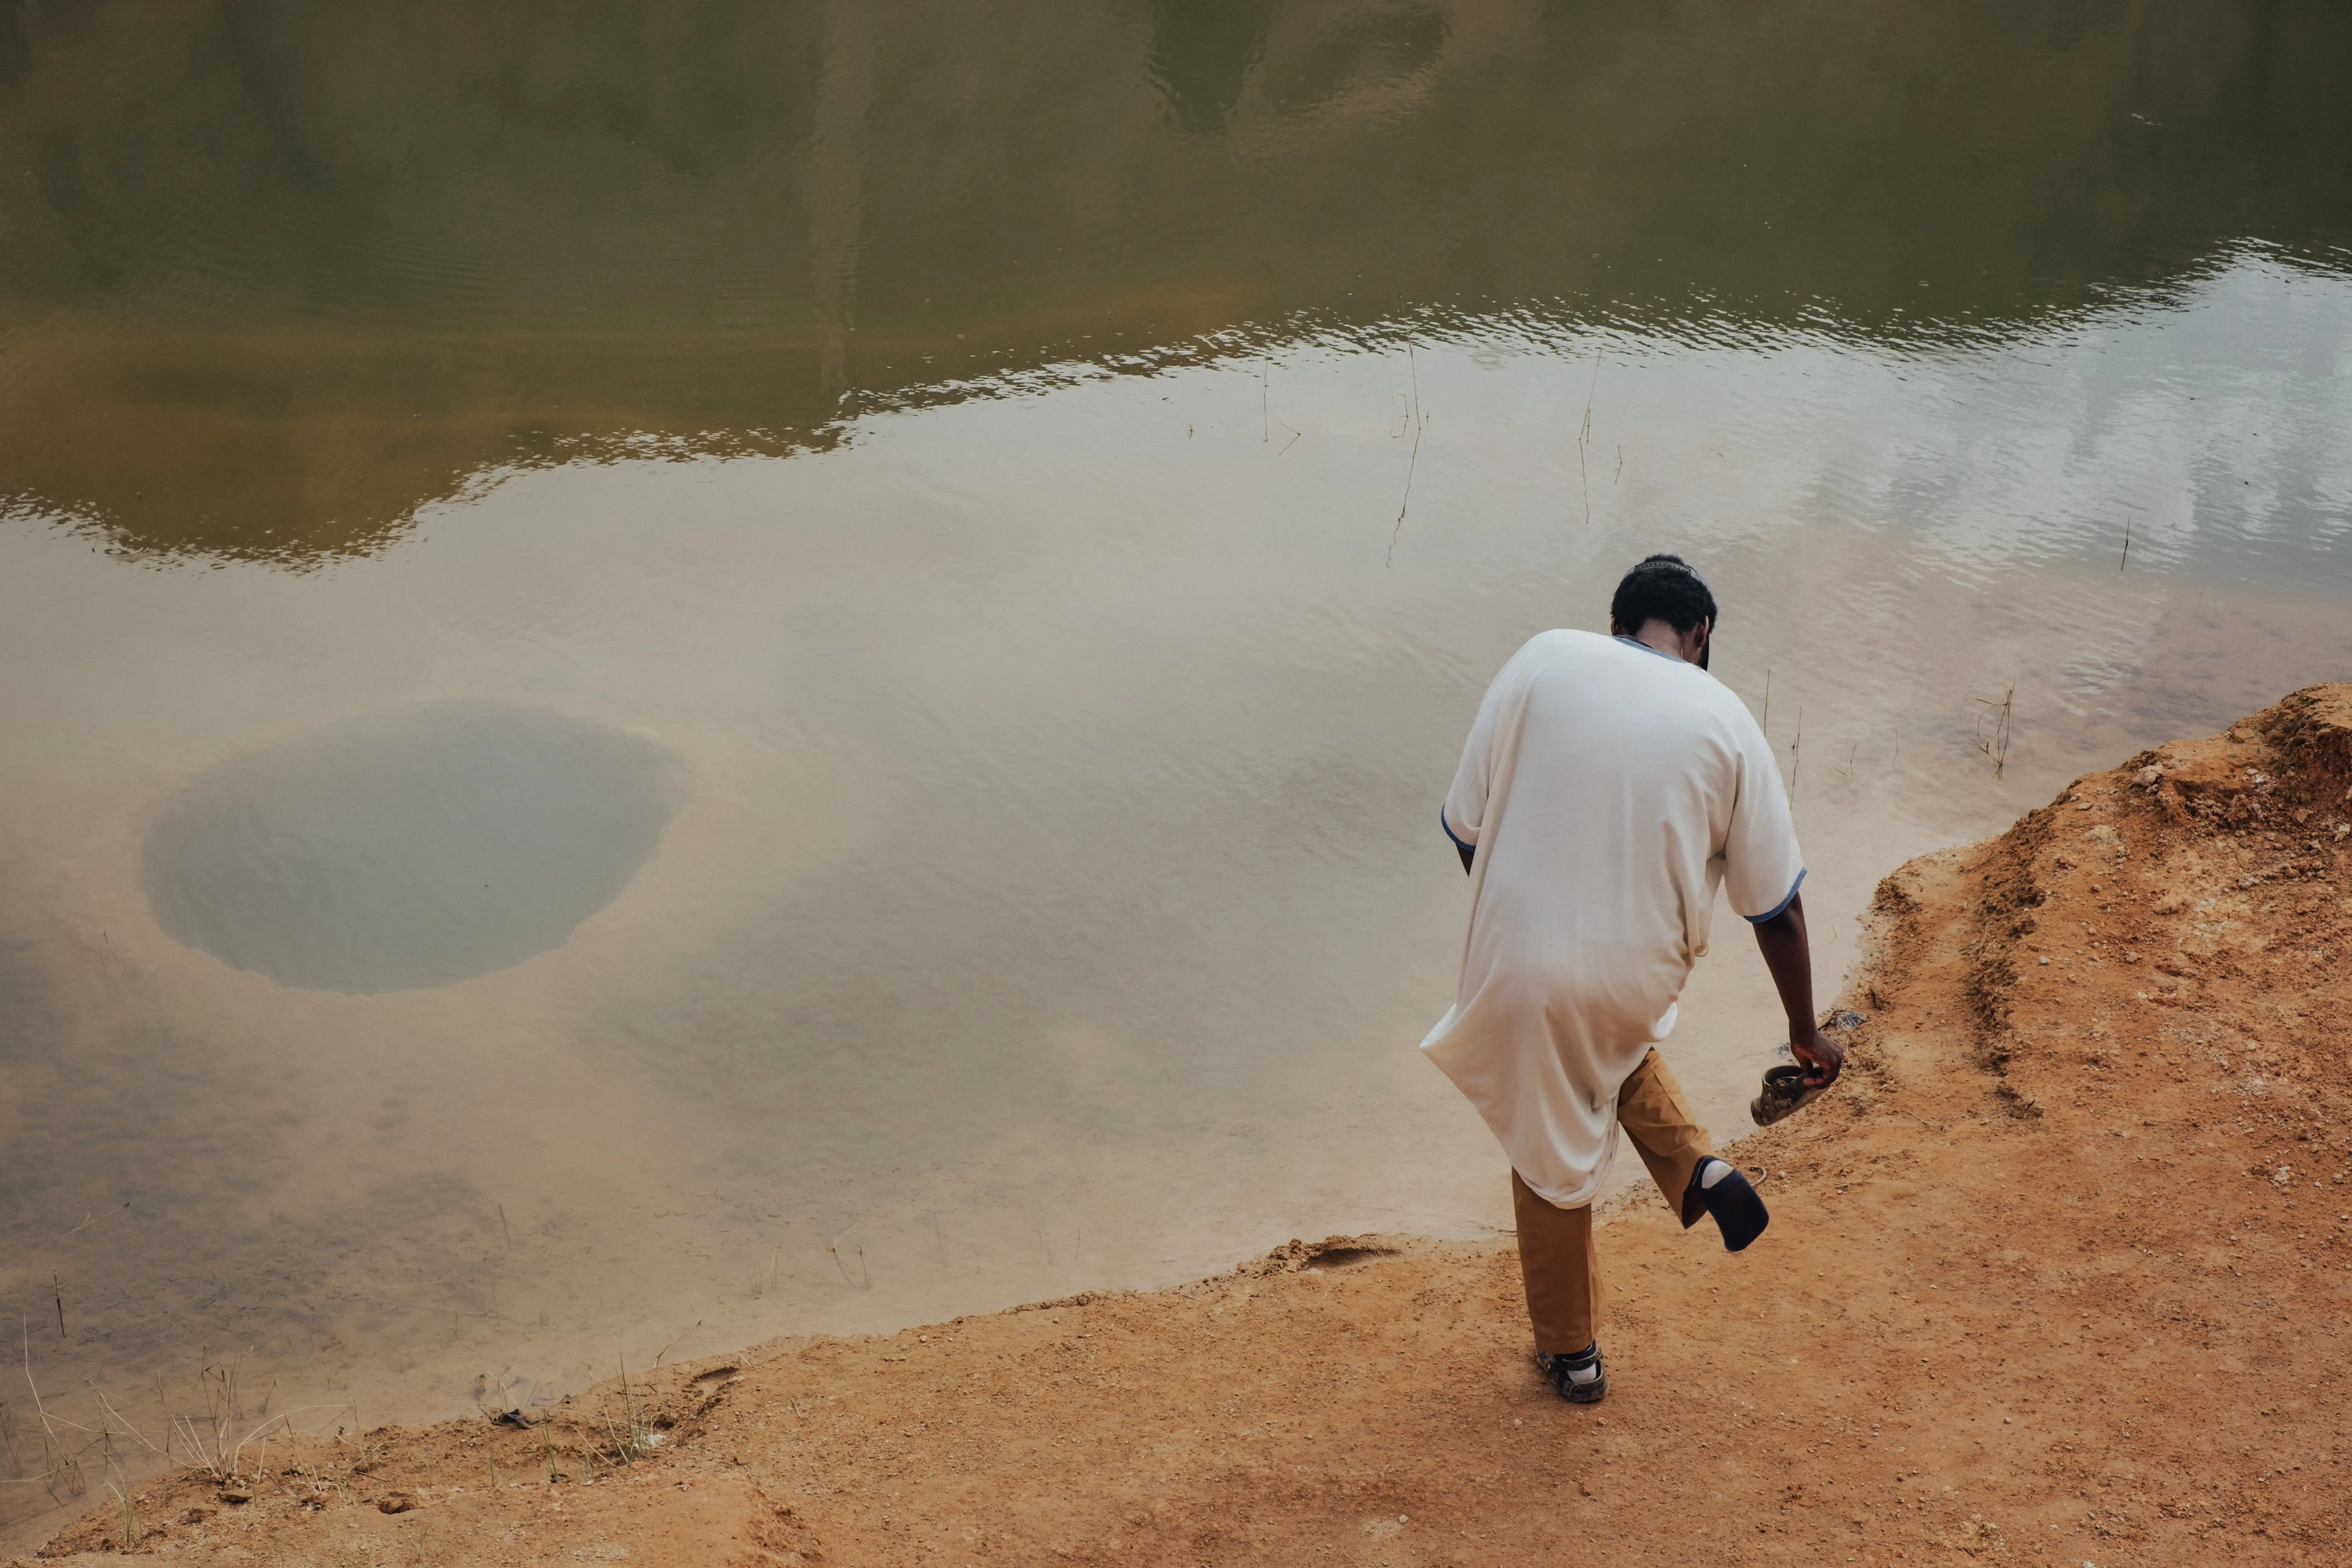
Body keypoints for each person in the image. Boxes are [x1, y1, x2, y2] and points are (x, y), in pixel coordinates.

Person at [1422, 553, 1842, 1405]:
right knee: (1599, 1048)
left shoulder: (1544, 657)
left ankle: (1571, 1354)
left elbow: (1466, 823)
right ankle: (1696, 1168)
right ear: (1700, 635)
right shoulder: (1726, 719)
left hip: (1517, 947)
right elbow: (1778, 910)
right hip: (1639, 970)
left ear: (1614, 621)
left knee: (1547, 1148)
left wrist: (1527, 923)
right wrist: (1806, 1030)